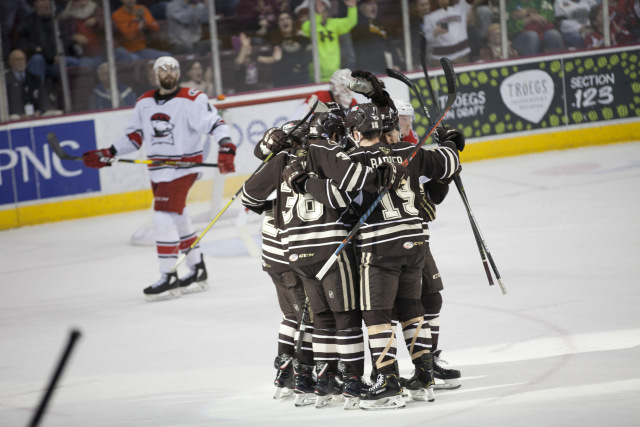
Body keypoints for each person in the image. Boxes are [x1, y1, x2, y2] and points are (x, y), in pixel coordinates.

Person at [80, 56, 237, 302]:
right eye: (163, 68)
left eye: (173, 68)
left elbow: (216, 124)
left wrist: (226, 147)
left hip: (184, 167)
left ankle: (168, 275)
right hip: (159, 170)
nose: (169, 72)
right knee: (178, 216)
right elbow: (135, 137)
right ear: (155, 74)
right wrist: (107, 153)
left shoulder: (193, 98)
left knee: (162, 216)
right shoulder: (144, 102)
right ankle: (197, 269)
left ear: (178, 72)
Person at [299, 0, 358, 82]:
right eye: (318, 11)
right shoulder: (307, 25)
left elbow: (350, 22)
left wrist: (352, 8)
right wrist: (318, 14)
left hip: (334, 74)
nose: (322, 14)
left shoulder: (334, 23)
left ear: (328, 12)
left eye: (324, 11)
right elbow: (313, 28)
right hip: (316, 75)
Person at [257, 10, 311, 88]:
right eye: (281, 20)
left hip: (301, 80)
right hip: (282, 81)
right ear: (278, 24)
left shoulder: (301, 38)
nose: (284, 21)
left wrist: (300, 65)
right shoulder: (274, 38)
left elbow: (311, 54)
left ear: (292, 21)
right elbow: (259, 33)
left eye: (287, 18)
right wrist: (262, 25)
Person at [351, 0, 403, 75]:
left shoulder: (381, 26)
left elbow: (391, 45)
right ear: (361, 8)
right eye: (370, 4)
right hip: (366, 71)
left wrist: (397, 64)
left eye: (375, 4)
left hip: (384, 70)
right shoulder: (357, 24)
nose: (374, 6)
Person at [423, 0, 479, 67]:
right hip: (440, 58)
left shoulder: (461, 6)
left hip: (461, 55)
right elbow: (426, 39)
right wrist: (434, 33)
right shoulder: (429, 16)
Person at [59, 0, 108, 69]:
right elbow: (62, 38)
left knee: (121, 53)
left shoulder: (97, 11)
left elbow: (113, 28)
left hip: (104, 54)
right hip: (83, 57)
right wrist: (74, 37)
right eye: (77, 1)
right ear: (72, 3)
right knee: (85, 65)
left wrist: (97, 21)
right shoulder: (67, 17)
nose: (81, 3)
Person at [5, 48, 45, 120]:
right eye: (18, 59)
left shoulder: (34, 78)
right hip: (15, 118)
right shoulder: (5, 80)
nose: (21, 62)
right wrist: (20, 114)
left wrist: (39, 111)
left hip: (35, 116)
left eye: (23, 59)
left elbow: (43, 98)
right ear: (10, 62)